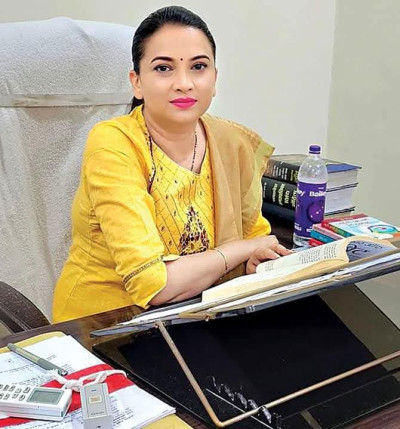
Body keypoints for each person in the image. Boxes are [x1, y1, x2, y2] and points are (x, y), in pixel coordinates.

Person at [52, 5, 291, 323]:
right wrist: (239, 251)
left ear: (215, 78)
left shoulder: (232, 141)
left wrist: (255, 259)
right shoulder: (113, 143)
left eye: (198, 67)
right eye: (164, 68)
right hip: (105, 326)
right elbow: (153, 284)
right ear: (137, 83)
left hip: (199, 317)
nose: (184, 83)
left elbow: (256, 240)